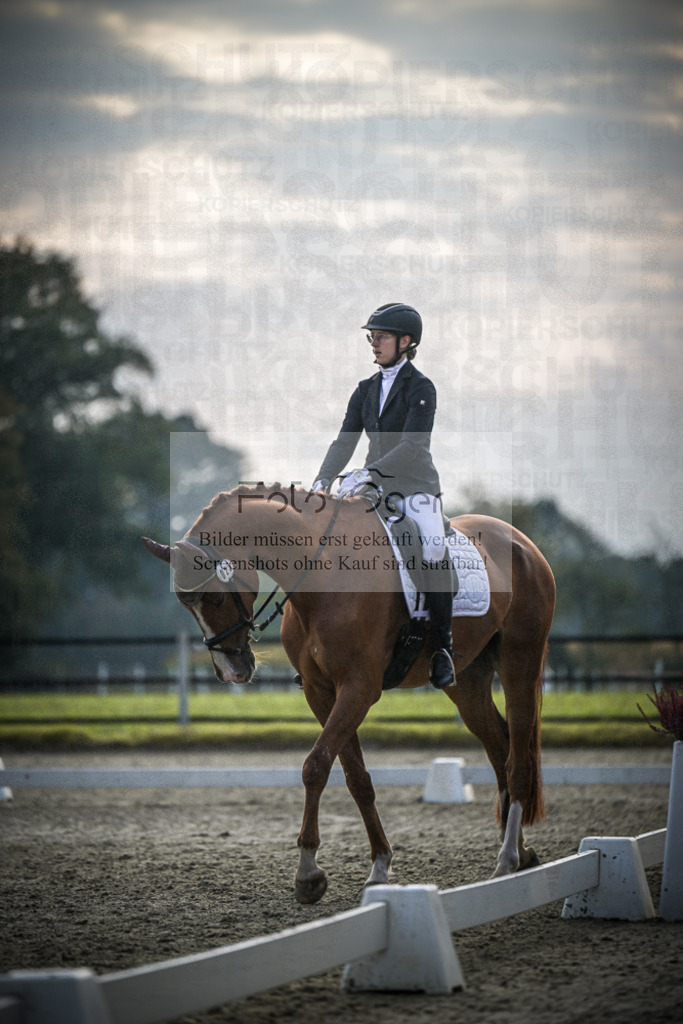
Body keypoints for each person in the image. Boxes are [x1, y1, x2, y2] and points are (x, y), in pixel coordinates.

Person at [312, 302, 455, 689]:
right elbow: (345, 440)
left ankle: (442, 646)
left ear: (406, 342)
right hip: (371, 488)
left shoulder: (422, 388)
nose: (374, 343)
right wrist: (322, 480)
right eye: (371, 337)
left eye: (382, 337)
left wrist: (369, 471)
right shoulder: (364, 390)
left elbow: (412, 445)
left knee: (432, 546)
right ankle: (324, 646)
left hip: (415, 487)